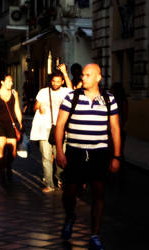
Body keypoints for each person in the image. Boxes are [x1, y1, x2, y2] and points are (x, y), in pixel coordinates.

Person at [55, 63, 121, 248]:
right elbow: (60, 125)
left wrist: (116, 156)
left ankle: (95, 235)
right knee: (69, 193)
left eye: (87, 75)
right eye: (83, 75)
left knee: (98, 194)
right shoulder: (71, 98)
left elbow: (115, 128)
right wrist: (60, 151)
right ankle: (70, 216)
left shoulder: (109, 99)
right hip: (75, 152)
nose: (83, 78)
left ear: (98, 78)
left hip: (99, 154)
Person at [30, 70, 73, 193]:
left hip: (61, 128)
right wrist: (39, 107)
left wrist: (65, 72)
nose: (55, 83)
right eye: (53, 81)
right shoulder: (43, 92)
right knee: (46, 158)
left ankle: (59, 178)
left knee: (61, 157)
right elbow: (34, 107)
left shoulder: (66, 91)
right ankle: (50, 184)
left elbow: (72, 90)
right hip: (44, 128)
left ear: (62, 82)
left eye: (58, 81)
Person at [0, 74, 23, 183]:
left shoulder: (14, 94)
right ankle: (2, 171)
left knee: (13, 152)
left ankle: (8, 165)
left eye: (12, 81)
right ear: (2, 82)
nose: (11, 83)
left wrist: (20, 122)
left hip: (11, 124)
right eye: (9, 81)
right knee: (0, 150)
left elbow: (17, 109)